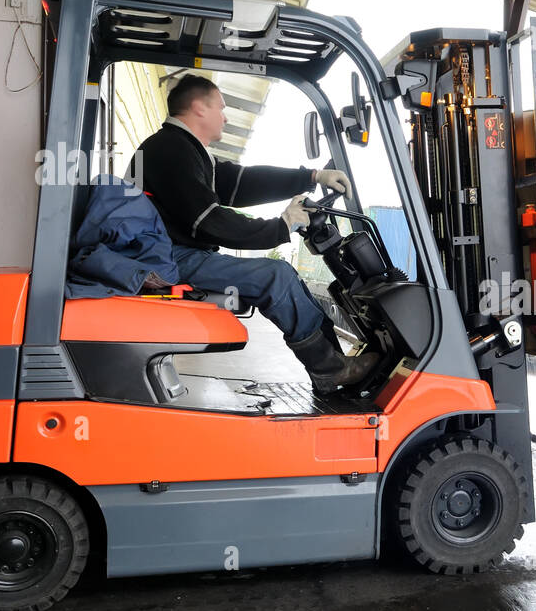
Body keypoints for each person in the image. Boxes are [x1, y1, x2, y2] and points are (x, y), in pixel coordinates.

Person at [132, 74, 379, 393]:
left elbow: (241, 182)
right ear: (198, 108)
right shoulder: (171, 150)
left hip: (170, 254)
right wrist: (281, 225)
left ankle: (334, 364)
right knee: (276, 276)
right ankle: (329, 369)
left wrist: (313, 176)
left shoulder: (183, 149)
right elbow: (208, 220)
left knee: (285, 276)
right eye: (221, 107)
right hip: (166, 260)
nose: (225, 115)